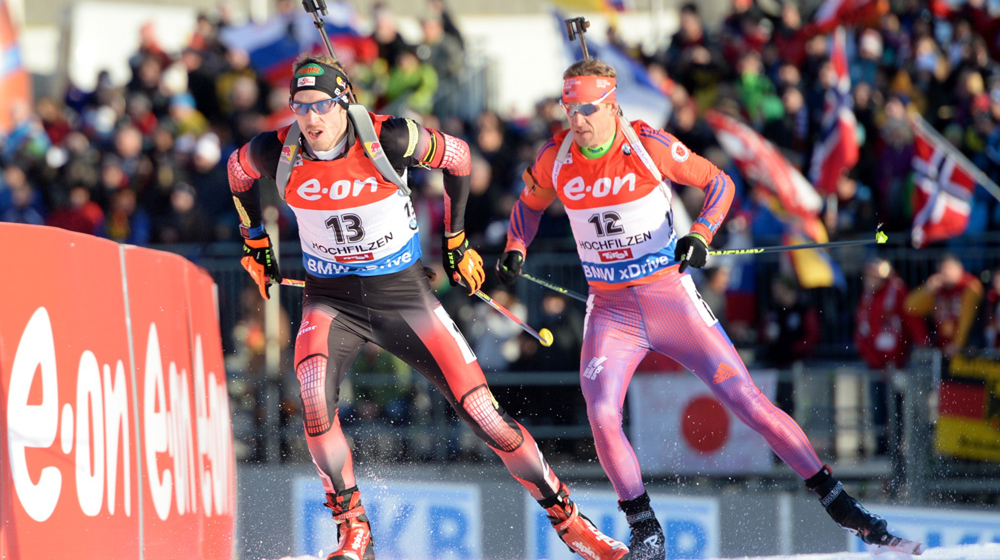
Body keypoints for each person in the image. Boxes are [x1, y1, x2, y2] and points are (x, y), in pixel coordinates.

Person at [496, 58, 901, 560]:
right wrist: (517, 245)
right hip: (610, 311)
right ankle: (645, 530)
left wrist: (701, 234)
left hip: (670, 299)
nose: (577, 119)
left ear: (611, 104)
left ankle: (841, 505)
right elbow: (528, 205)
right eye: (569, 108)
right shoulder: (556, 158)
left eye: (587, 108)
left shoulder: (646, 144)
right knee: (601, 412)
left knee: (748, 402)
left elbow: (721, 183)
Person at [227, 55, 629, 560]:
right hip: (331, 299)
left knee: (486, 415)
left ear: (343, 101)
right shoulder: (276, 149)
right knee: (312, 393)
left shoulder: (388, 137)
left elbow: (459, 158)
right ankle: (353, 530)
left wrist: (457, 242)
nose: (312, 119)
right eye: (301, 106)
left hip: (402, 296)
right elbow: (236, 171)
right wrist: (254, 240)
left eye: (323, 105)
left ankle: (571, 523)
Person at [905, 253, 983, 356]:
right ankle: (924, 347)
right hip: (942, 346)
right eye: (943, 270)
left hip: (966, 347)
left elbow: (966, 320)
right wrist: (927, 290)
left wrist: (957, 344)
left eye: (949, 269)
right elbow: (909, 307)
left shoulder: (970, 286)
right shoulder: (939, 289)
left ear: (959, 268)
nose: (946, 274)